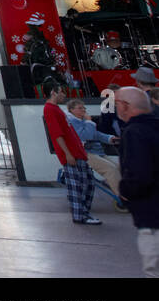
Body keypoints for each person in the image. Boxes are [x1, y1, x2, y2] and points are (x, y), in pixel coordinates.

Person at [115, 86, 159, 276]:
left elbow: (139, 174)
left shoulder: (134, 132)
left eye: (116, 104)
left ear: (125, 106)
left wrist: (124, 192)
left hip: (152, 215)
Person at [43, 83, 100, 225]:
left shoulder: (56, 109)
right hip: (71, 153)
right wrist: (67, 154)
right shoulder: (50, 109)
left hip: (75, 152)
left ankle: (82, 213)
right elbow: (57, 134)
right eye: (61, 92)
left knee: (87, 183)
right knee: (78, 186)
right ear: (53, 92)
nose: (64, 95)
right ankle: (80, 215)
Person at [66, 100, 123, 209]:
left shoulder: (81, 121)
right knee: (110, 169)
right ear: (72, 110)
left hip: (95, 151)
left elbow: (95, 134)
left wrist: (110, 138)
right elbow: (85, 136)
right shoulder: (72, 122)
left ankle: (121, 190)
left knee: (118, 167)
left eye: (84, 108)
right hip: (84, 153)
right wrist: (89, 122)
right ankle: (121, 197)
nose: (83, 110)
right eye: (80, 108)